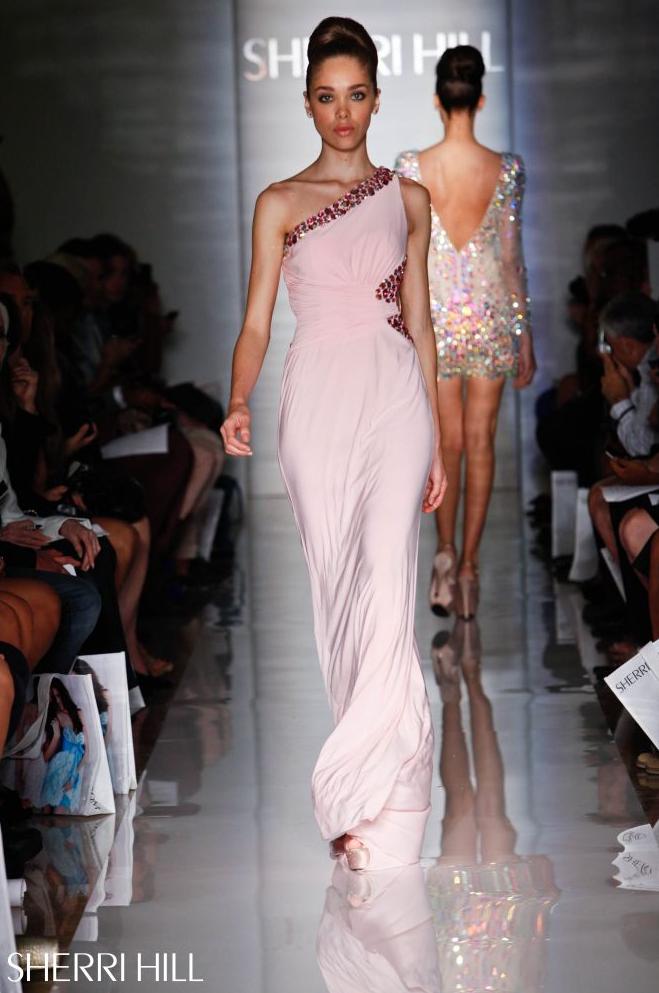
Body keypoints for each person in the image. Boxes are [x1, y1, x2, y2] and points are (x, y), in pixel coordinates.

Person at [220, 16, 446, 872]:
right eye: (326, 96)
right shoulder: (278, 202)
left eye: (356, 95)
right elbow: (255, 321)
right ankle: (370, 778)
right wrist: (237, 399)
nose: (342, 112)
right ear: (307, 103)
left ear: (377, 100)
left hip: (393, 397)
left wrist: (436, 443)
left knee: (387, 582)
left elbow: (421, 327)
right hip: (314, 402)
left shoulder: (409, 199)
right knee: (339, 591)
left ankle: (384, 794)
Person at [395, 45, 536, 620]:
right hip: (490, 319)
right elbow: (511, 260)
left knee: (445, 446)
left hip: (435, 325)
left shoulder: (411, 166)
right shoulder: (507, 169)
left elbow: (405, 258)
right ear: (480, 100)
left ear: (437, 99)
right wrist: (525, 335)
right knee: (480, 444)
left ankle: (446, 556)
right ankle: (472, 569)